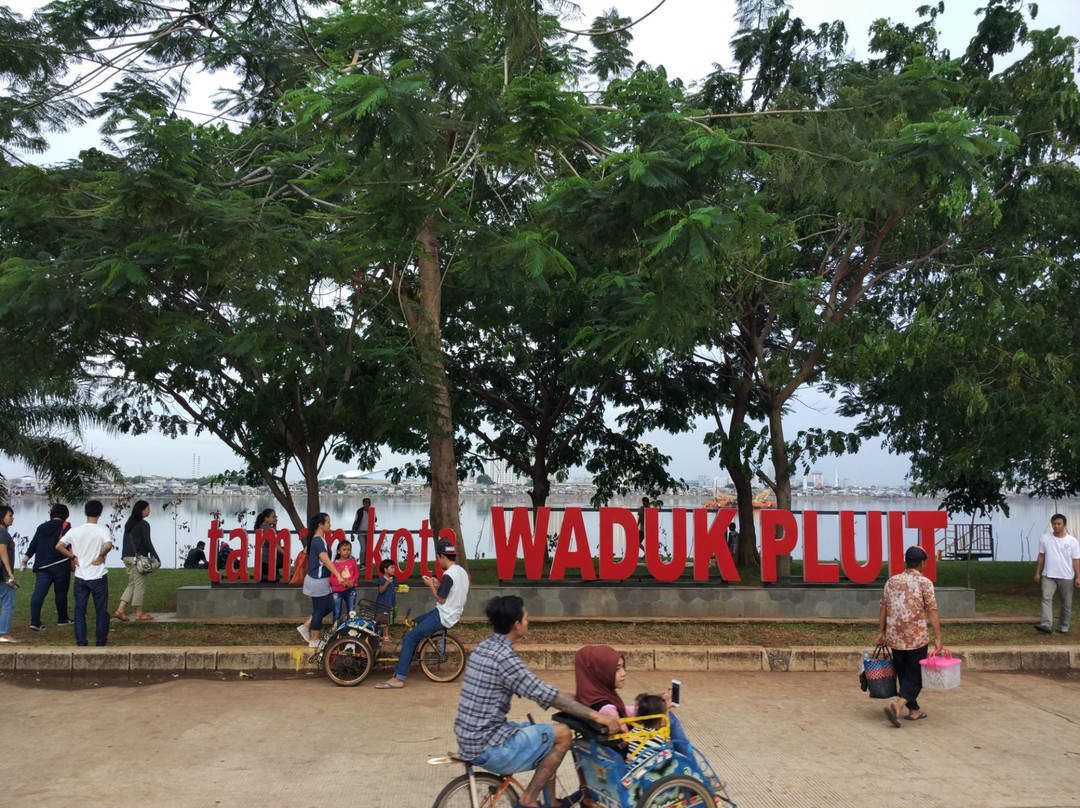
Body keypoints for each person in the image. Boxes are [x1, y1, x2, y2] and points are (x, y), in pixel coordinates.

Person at [453, 595, 622, 808]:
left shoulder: (484, 648)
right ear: (516, 624)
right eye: (526, 617)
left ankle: (551, 803)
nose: (528, 620)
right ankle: (529, 799)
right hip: (489, 745)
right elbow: (546, 696)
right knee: (562, 735)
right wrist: (598, 715)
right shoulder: (506, 658)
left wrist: (578, 699)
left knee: (547, 734)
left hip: (469, 737)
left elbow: (537, 687)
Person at [375, 538, 469, 689]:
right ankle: (409, 657)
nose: (438, 561)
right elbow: (453, 590)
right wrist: (438, 584)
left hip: (444, 614)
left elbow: (441, 598)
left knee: (409, 638)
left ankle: (398, 678)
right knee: (415, 622)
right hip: (450, 612)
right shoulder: (461, 571)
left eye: (438, 558)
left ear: (442, 557)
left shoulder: (449, 574)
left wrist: (430, 585)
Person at [573, 645, 690, 758]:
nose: (624, 673)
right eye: (617, 669)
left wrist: (656, 704)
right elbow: (625, 740)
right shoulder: (607, 708)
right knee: (668, 720)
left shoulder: (589, 697)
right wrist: (663, 713)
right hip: (631, 755)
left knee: (659, 714)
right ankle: (693, 768)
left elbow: (624, 711)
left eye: (623, 667)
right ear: (599, 672)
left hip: (611, 751)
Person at [877, 545, 943, 727]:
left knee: (904, 673)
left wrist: (881, 631)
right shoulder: (925, 583)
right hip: (916, 638)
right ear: (922, 564)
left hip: (895, 637)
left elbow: (883, 607)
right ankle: (898, 705)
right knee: (917, 675)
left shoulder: (891, 581)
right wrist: (938, 636)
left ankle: (913, 711)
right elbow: (932, 610)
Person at [55, 500, 113, 647]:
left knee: (80, 610)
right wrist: (101, 556)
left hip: (80, 574)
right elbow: (108, 545)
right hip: (98, 574)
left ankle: (81, 641)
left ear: (85, 513)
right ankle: (100, 641)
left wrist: (73, 557)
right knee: (101, 610)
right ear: (100, 513)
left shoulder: (75, 531)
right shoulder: (102, 530)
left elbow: (59, 546)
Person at [296, 512, 346, 648]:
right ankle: (314, 640)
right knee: (320, 609)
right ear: (320, 525)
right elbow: (325, 560)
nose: (330, 525)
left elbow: (308, 552)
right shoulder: (318, 540)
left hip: (320, 580)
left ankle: (305, 626)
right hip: (317, 581)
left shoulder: (318, 539)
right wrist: (338, 575)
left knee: (329, 606)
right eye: (328, 522)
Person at [22, 503, 74, 630]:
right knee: (61, 593)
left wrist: (25, 560)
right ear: (65, 515)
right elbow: (70, 545)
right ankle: (62, 619)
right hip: (60, 564)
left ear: (52, 514)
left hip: (42, 566)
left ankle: (35, 622)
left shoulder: (41, 527)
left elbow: (33, 545)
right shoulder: (66, 526)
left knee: (38, 593)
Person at [1033, 513, 1080, 635]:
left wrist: (1078, 576)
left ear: (1064, 525)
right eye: (1054, 524)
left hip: (1066, 576)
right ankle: (1046, 624)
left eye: (1059, 524)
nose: (1056, 526)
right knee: (1046, 598)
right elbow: (1041, 555)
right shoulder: (1045, 538)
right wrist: (1038, 572)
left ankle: (1064, 625)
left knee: (1066, 602)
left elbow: (1075, 560)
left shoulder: (1072, 541)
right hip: (1049, 575)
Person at [114, 500, 159, 622]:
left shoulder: (129, 523)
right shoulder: (144, 524)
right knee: (140, 585)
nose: (149, 511)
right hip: (137, 559)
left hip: (127, 557)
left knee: (132, 584)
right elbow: (147, 542)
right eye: (148, 509)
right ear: (142, 510)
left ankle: (120, 610)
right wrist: (156, 557)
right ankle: (139, 613)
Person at [626, 693, 671, 761]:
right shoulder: (662, 739)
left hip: (632, 769)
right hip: (649, 771)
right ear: (662, 720)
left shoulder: (634, 731)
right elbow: (669, 756)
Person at [0, 505, 18, 643]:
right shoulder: (3, 533)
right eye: (9, 516)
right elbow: (3, 552)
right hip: (3, 574)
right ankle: (4, 633)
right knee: (8, 602)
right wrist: (10, 573)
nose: (12, 518)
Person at [330, 539, 359, 622]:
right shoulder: (334, 564)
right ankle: (335, 629)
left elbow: (356, 574)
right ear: (339, 551)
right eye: (344, 550)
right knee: (337, 611)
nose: (347, 552)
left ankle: (350, 628)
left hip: (350, 589)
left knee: (351, 610)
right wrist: (341, 582)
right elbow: (331, 578)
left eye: (349, 550)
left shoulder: (352, 562)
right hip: (337, 591)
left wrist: (352, 581)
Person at [254, 508, 285, 581]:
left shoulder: (262, 527)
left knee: (266, 579)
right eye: (273, 517)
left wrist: (274, 525)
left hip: (263, 558)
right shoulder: (268, 529)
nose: (275, 518)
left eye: (276, 517)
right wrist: (285, 553)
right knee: (272, 580)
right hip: (269, 559)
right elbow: (274, 544)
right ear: (266, 518)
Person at [375, 558, 396, 641]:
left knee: (388, 619)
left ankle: (384, 634)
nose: (394, 570)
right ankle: (384, 635)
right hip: (383, 603)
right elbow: (381, 590)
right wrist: (387, 583)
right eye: (392, 568)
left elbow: (392, 590)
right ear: (385, 569)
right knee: (383, 620)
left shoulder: (393, 579)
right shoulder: (382, 580)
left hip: (390, 602)